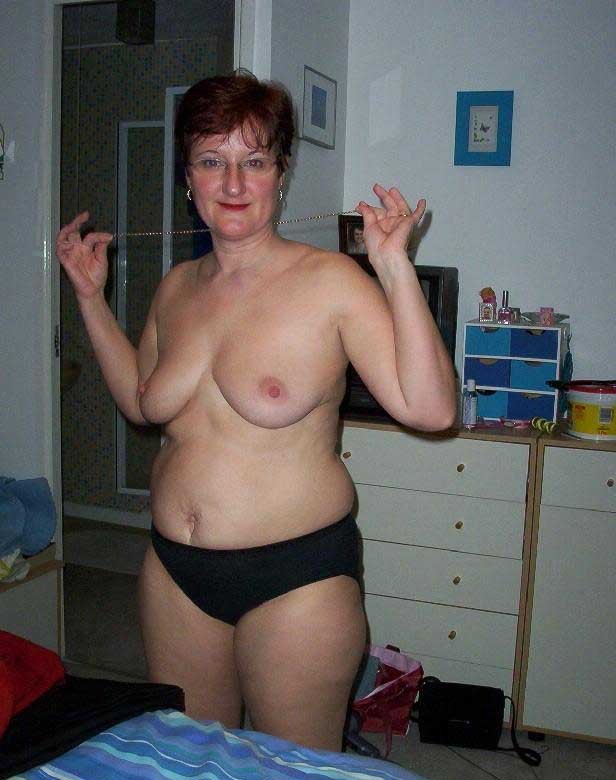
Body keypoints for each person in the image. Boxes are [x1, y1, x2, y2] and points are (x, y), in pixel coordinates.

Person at [56, 70, 456, 751]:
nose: (234, 183)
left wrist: (392, 266)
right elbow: (143, 404)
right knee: (190, 758)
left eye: (255, 161)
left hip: (295, 580)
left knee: (288, 767)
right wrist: (92, 300)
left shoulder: (330, 282)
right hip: (175, 575)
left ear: (281, 172)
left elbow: (432, 409)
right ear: (188, 178)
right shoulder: (176, 287)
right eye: (212, 161)